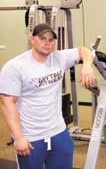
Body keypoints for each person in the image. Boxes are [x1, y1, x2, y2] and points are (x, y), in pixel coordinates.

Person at [0, 23, 95, 169]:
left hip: (58, 130)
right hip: (31, 136)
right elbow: (7, 103)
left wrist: (87, 65)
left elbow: (83, 50)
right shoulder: (14, 67)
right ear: (32, 39)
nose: (47, 43)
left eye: (51, 39)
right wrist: (18, 137)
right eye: (42, 38)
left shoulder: (59, 57)